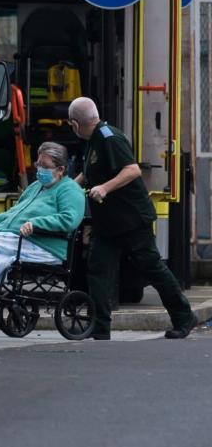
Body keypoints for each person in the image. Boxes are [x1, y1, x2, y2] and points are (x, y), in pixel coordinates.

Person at [68, 97, 197, 340]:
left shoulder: (109, 138)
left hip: (131, 220)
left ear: (75, 124)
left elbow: (132, 169)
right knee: (99, 271)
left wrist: (104, 188)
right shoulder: (94, 141)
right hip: (109, 223)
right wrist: (67, 189)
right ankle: (100, 327)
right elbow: (89, 173)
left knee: (152, 268)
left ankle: (183, 316)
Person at [0, 141, 85, 319]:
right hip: (18, 237)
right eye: (38, 164)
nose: (40, 170)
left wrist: (36, 223)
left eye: (46, 166)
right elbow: (13, 213)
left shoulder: (70, 190)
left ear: (60, 169)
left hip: (44, 245)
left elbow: (69, 219)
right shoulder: (36, 186)